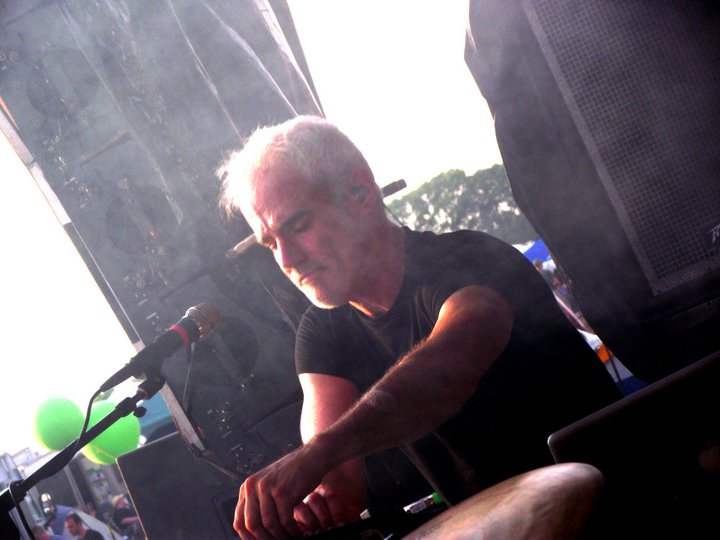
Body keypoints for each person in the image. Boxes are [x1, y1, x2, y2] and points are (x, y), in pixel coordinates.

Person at [217, 115, 621, 539]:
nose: (286, 259)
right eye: (270, 243)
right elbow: (339, 489)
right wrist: (307, 503)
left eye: (297, 226)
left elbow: (447, 370)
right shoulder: (323, 330)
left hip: (615, 505)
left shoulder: (471, 260)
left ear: (359, 193)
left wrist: (318, 454)